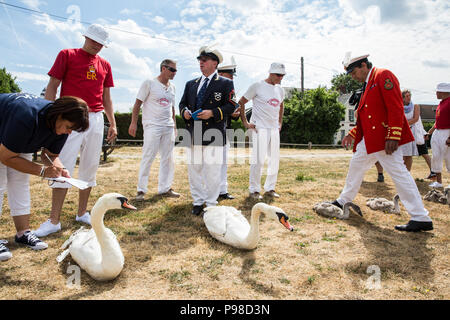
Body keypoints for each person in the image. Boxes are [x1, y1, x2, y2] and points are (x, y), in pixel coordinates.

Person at [33, 24, 117, 237]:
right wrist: (47, 115)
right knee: (63, 166)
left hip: (96, 118)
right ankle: (54, 220)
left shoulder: (105, 64)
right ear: (85, 37)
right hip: (70, 116)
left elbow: (107, 97)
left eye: (101, 43)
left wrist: (113, 123)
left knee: (90, 166)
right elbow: (53, 85)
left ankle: (82, 212)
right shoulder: (66, 55)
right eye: (94, 40)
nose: (97, 46)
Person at [333, 53, 433, 232]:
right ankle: (343, 200)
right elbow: (367, 117)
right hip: (371, 141)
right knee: (356, 165)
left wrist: (394, 135)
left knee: (399, 174)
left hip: (384, 141)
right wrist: (353, 133)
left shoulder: (383, 75)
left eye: (354, 72)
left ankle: (420, 216)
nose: (353, 77)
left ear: (364, 65)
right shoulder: (368, 84)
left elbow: (395, 107)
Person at [0, 93, 89, 261]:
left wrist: (60, 168)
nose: (69, 132)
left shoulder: (61, 128)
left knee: (20, 182)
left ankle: (23, 233)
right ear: (60, 115)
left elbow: (50, 155)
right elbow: (5, 157)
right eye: (69, 126)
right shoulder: (26, 116)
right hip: (5, 132)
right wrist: (42, 171)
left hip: (16, 140)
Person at [179, 45, 236, 215]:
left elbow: (231, 105)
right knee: (194, 170)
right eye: (199, 60)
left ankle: (211, 203)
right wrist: (185, 113)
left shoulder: (226, 83)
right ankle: (198, 201)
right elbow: (182, 103)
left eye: (204, 60)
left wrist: (212, 113)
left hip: (214, 132)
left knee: (212, 171)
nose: (201, 63)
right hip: (193, 131)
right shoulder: (191, 84)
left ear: (215, 63)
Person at [128, 59, 180, 200]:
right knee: (148, 156)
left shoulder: (173, 87)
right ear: (163, 68)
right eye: (172, 70)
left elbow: (172, 108)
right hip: (152, 125)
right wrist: (134, 123)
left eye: (176, 70)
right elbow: (137, 104)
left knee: (168, 159)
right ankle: (141, 190)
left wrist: (174, 126)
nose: (175, 73)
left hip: (168, 126)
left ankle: (165, 188)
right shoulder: (149, 83)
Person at [238, 63, 286, 200]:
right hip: (260, 128)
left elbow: (281, 105)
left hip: (274, 129)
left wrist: (279, 122)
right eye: (278, 74)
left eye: (282, 75)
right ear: (270, 73)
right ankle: (254, 190)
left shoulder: (280, 90)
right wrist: (245, 122)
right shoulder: (257, 85)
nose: (280, 77)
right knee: (258, 160)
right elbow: (241, 102)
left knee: (274, 160)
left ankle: (270, 188)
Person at [217, 56, 240, 201]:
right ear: (221, 73)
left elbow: (233, 111)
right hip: (212, 131)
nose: (232, 77)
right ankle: (211, 190)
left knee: (223, 163)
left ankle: (222, 190)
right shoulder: (213, 87)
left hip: (226, 129)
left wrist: (235, 113)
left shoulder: (230, 88)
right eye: (230, 74)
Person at [401, 89, 434, 176]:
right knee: (406, 154)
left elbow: (415, 119)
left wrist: (403, 125)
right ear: (403, 98)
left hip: (416, 133)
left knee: (424, 153)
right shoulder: (400, 107)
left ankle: (433, 171)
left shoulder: (415, 106)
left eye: (410, 96)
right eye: (407, 96)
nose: (409, 98)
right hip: (406, 133)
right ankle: (406, 174)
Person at [427, 83, 450, 188]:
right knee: (436, 156)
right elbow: (437, 121)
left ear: (443, 92)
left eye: (437, 91)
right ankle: (439, 182)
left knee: (448, 157)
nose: (436, 93)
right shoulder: (441, 103)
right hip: (438, 132)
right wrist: (429, 132)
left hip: (447, 132)